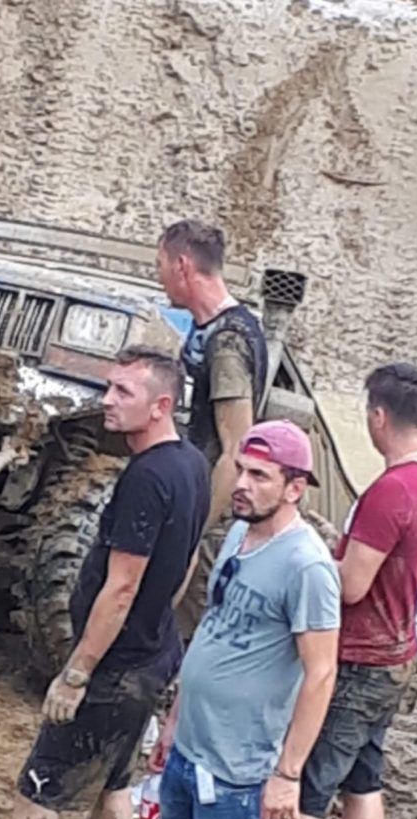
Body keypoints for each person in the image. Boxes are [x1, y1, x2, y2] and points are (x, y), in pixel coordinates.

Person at [0, 348, 210, 819]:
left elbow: (121, 586)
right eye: (109, 387)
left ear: (161, 406)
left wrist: (77, 672)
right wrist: (157, 620)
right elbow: (189, 557)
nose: (107, 401)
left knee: (39, 793)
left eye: (124, 392)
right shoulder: (193, 465)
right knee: (115, 785)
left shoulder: (146, 478)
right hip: (152, 656)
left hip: (113, 668)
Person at [270, 363, 417, 819]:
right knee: (364, 780)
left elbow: (351, 585)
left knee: (307, 789)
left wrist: (307, 559)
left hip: (358, 658)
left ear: (378, 417)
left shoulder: (391, 491)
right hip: (398, 651)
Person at [149, 420, 340, 819]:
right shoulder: (239, 533)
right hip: (190, 749)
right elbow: (212, 629)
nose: (241, 484)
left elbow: (321, 673)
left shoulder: (307, 567)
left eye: (259, 476)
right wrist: (174, 720)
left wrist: (287, 775)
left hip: (238, 771)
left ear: (295, 488)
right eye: (240, 470)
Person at [156, 219, 269, 635]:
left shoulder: (228, 342)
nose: (158, 276)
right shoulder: (212, 331)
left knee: (179, 638)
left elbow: (237, 448)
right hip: (196, 505)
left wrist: (192, 533)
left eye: (161, 264)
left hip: (210, 522)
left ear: (182, 266)